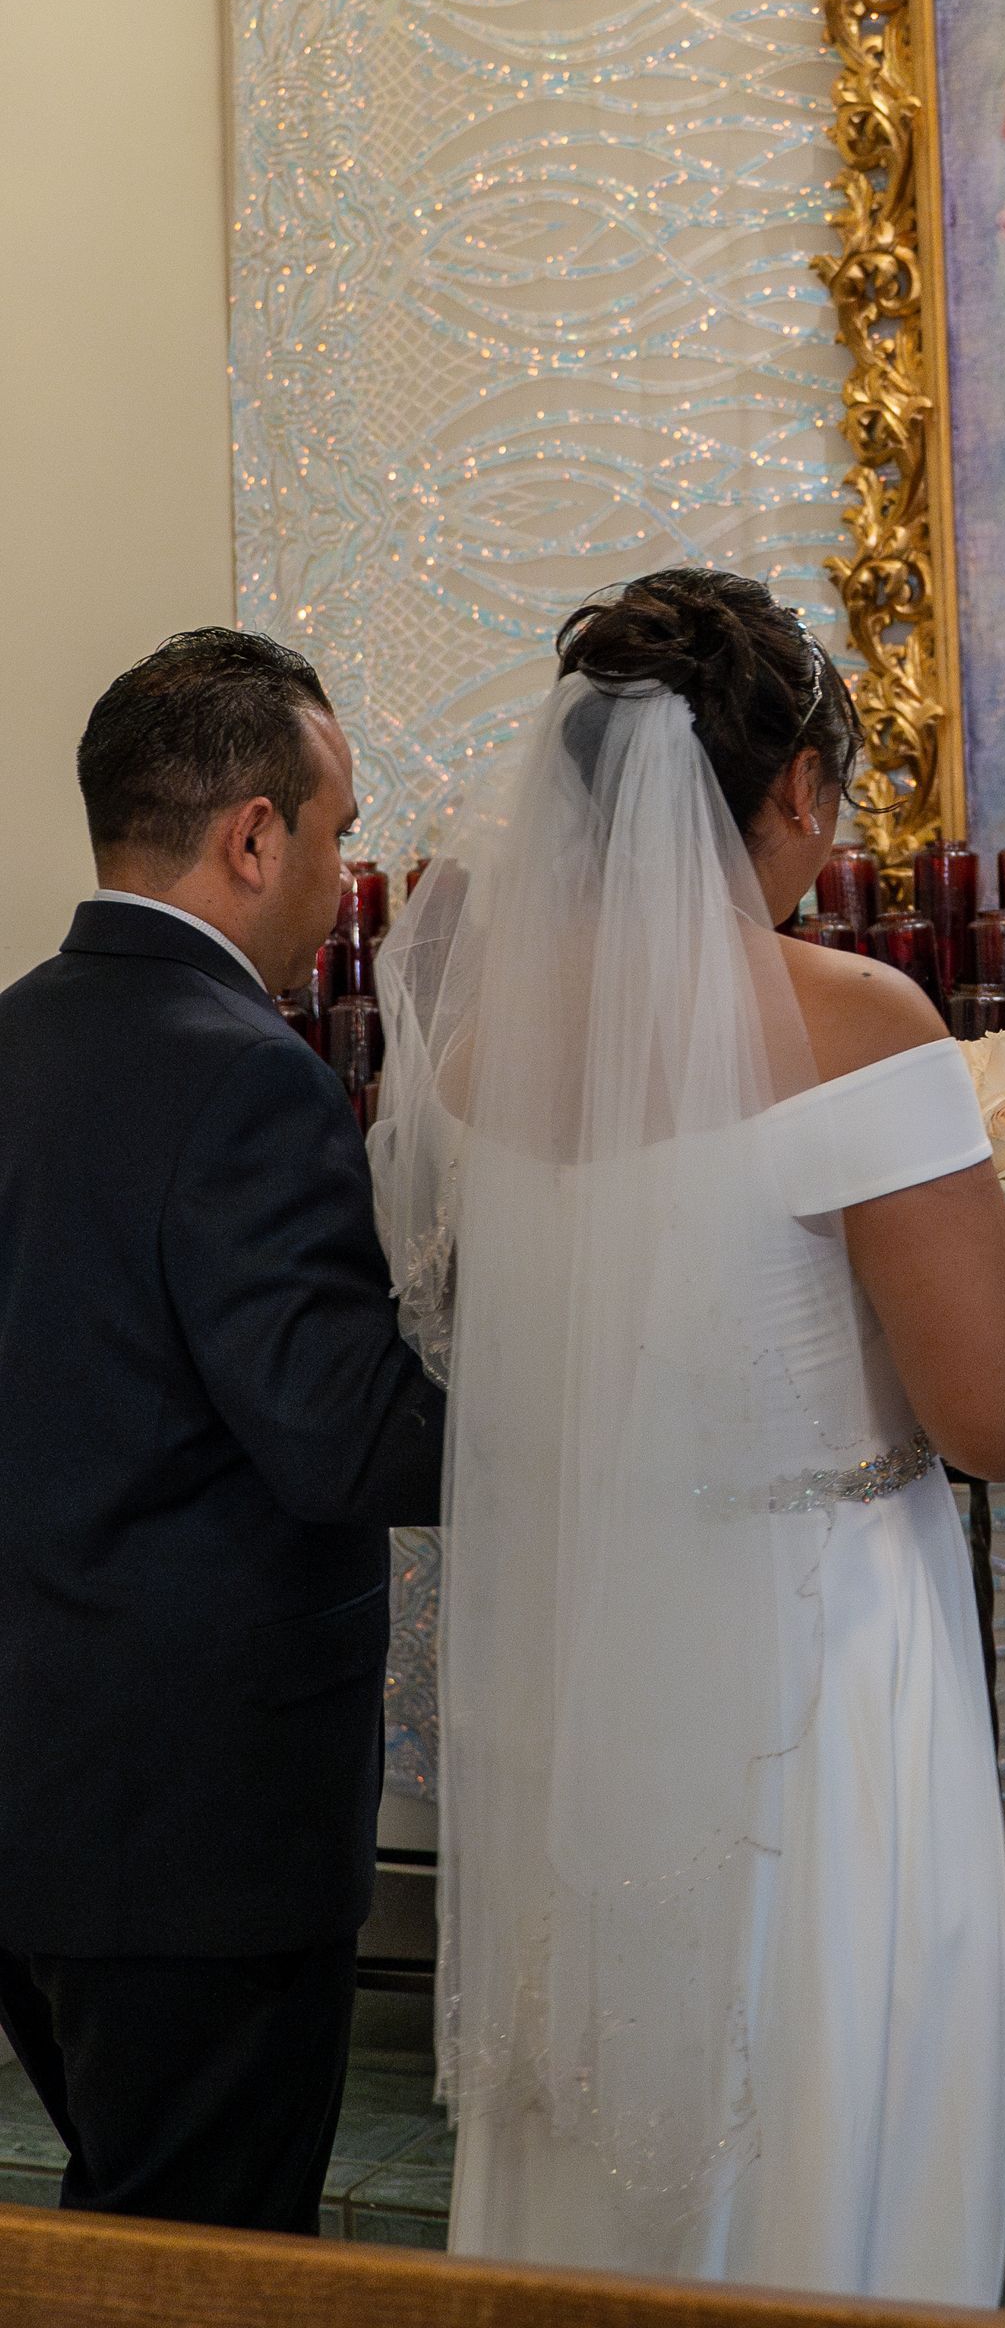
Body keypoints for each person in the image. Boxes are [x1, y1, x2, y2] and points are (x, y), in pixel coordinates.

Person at [373, 567, 1005, 2300]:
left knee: (604, 2083)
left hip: (593, 1639)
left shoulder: (479, 1056)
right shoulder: (854, 1024)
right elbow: (995, 1419)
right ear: (798, 788)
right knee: (818, 2040)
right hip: (821, 1649)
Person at [0, 629, 446, 2232]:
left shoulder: (12, 1038)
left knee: (129, 2223)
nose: (344, 878)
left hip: (37, 1803)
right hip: (200, 1825)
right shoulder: (246, 1076)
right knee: (212, 2257)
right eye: (337, 833)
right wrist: (576, 1394)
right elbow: (344, 1443)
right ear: (253, 835)